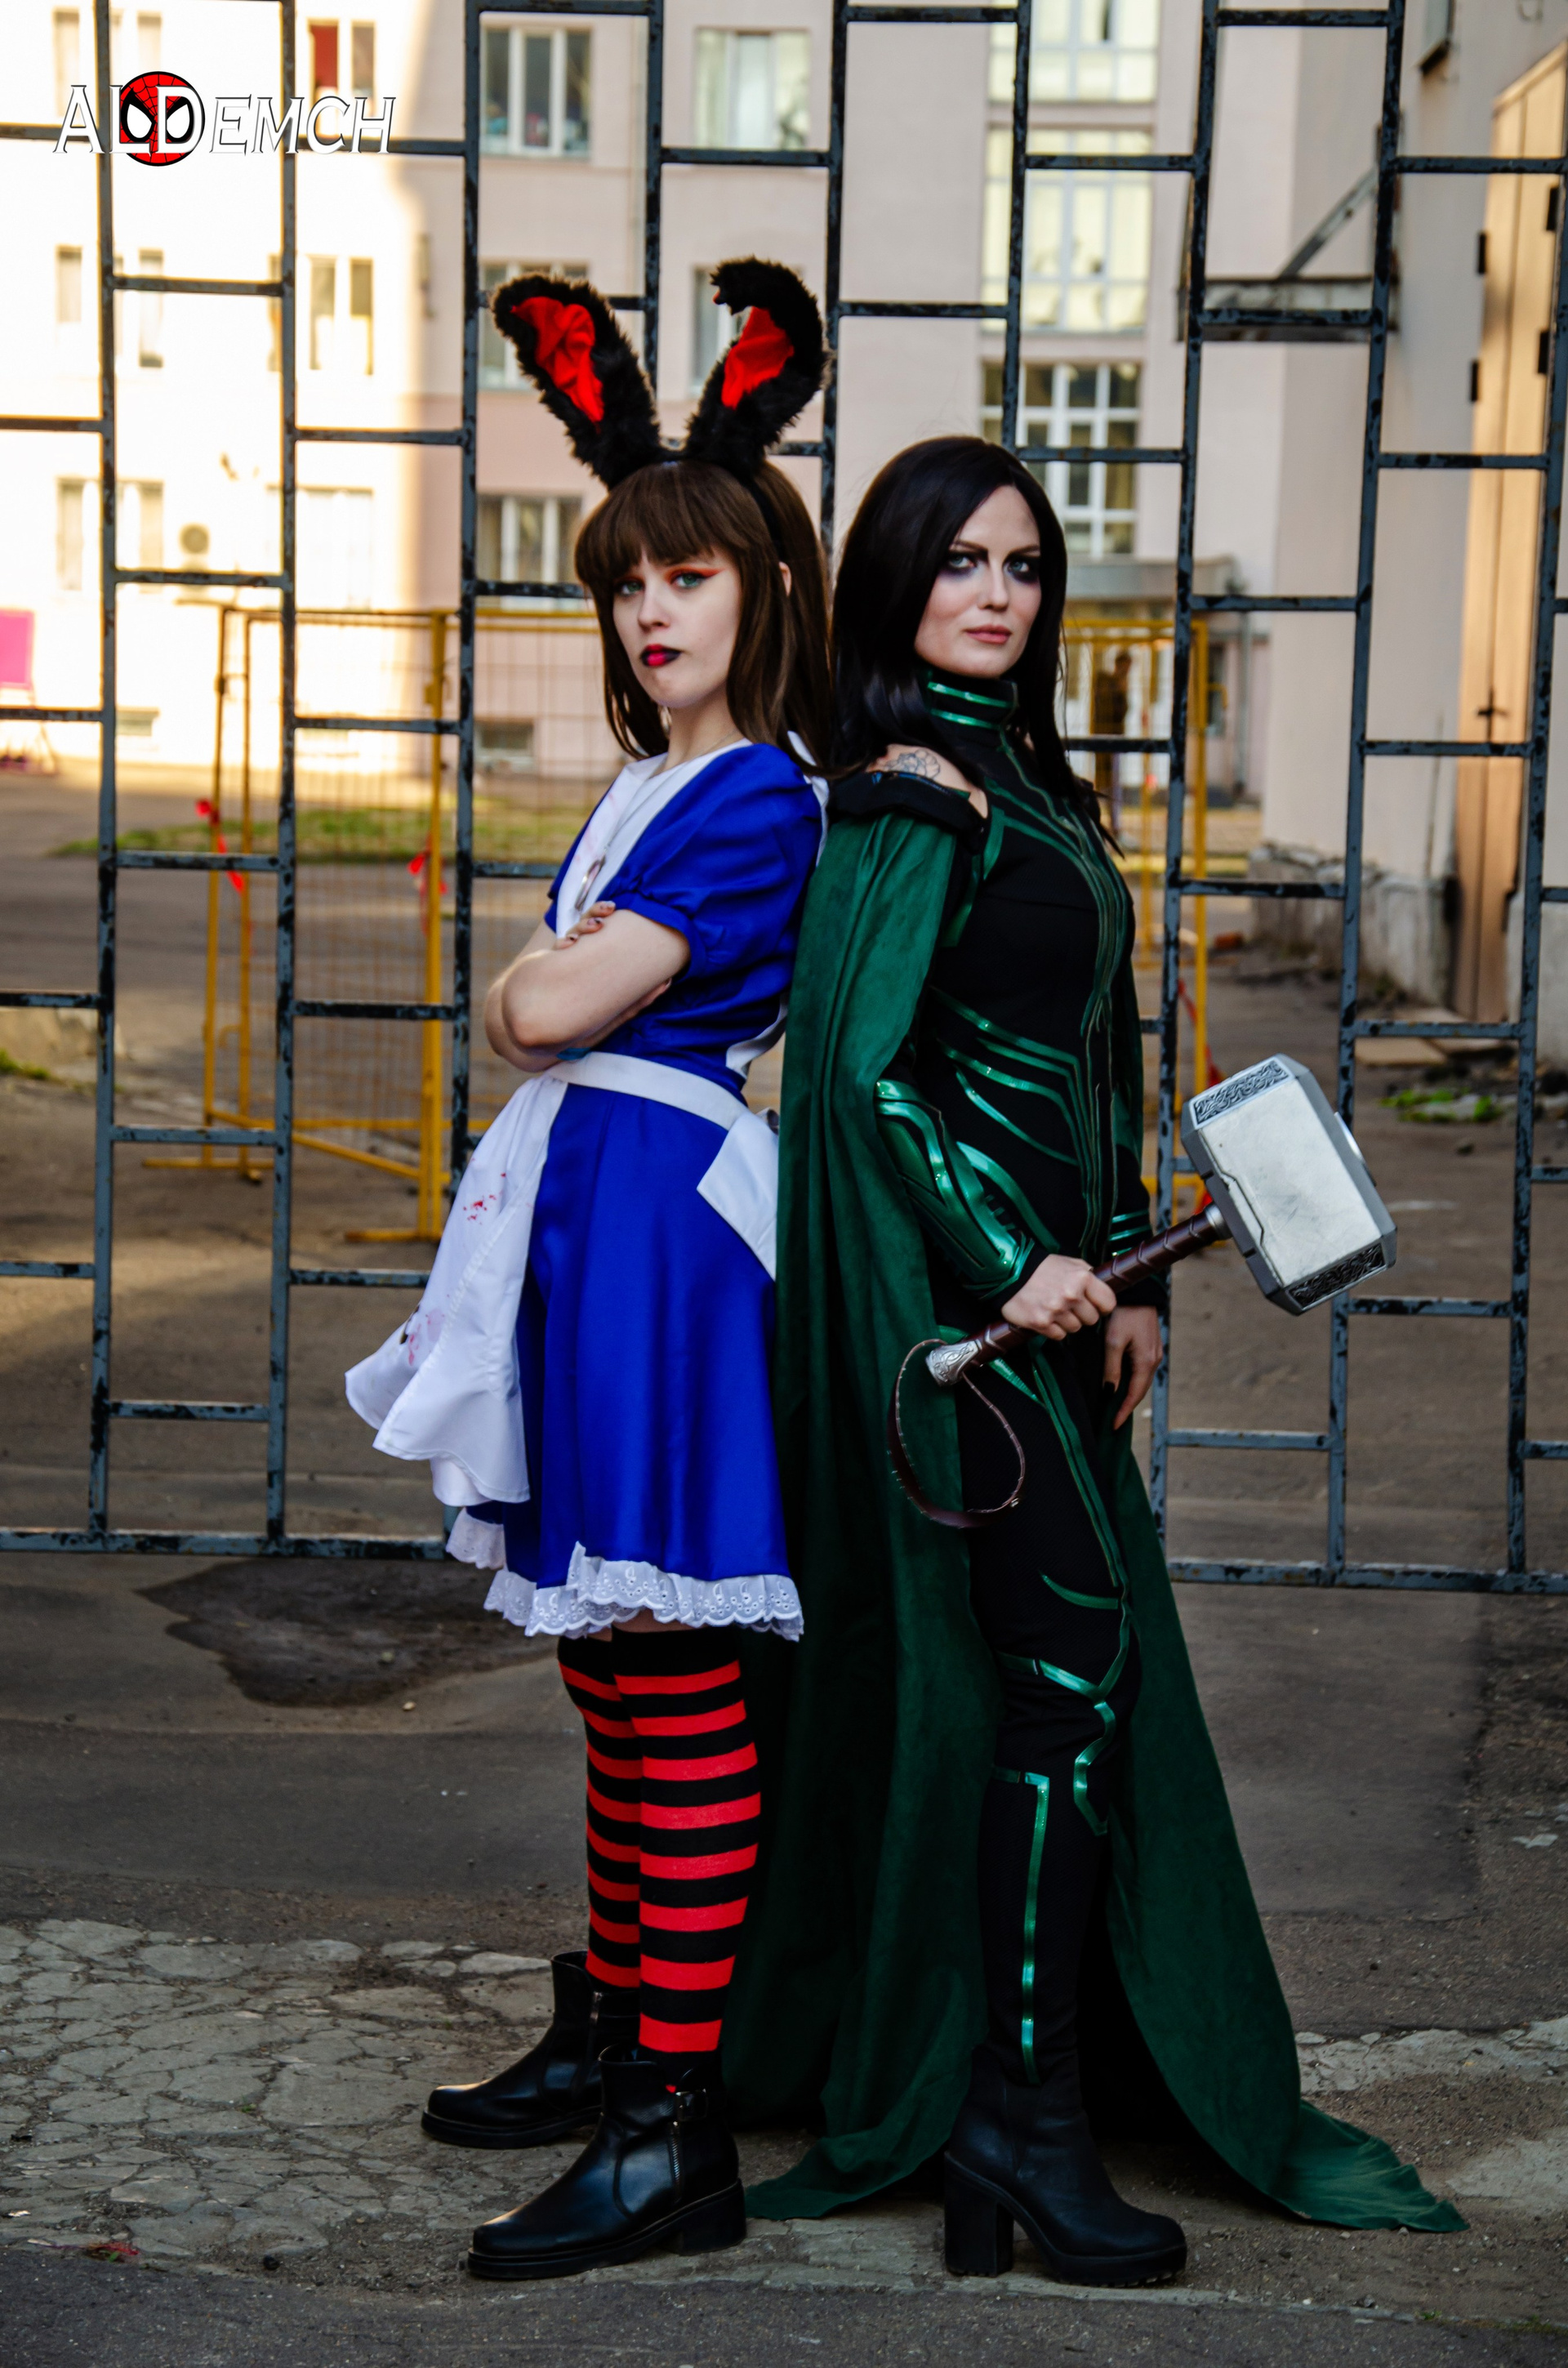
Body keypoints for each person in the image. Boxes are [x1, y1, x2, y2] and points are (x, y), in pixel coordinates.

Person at [722, 435, 1461, 2282]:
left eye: (1026, 565)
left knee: (1064, 1683)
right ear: (891, 584)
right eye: (958, 561)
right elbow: (868, 1077)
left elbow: (1093, 1049)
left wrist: (1133, 1275)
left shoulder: (1032, 787)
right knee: (1069, 1675)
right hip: (956, 1336)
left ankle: (1022, 2119)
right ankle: (1014, 2125)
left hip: (1059, 1317)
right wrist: (1012, 1258)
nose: (996, 593)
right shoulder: (907, 796)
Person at [345, 261, 831, 2281]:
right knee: (609, 1668)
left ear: (764, 588)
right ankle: (624, 2037)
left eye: (688, 577)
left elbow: (541, 1010)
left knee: (670, 1668)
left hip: (661, 1245)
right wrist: (543, 988)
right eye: (627, 583)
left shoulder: (759, 791)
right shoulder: (653, 785)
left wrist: (535, 984)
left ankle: (672, 2128)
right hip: (592, 1221)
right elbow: (546, 1004)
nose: (651, 611)